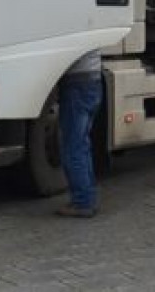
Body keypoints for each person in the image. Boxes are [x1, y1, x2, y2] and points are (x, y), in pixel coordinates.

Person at [55, 48, 103, 218]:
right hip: (92, 81)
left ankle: (83, 202)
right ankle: (87, 199)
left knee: (73, 148)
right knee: (82, 145)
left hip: (77, 84)